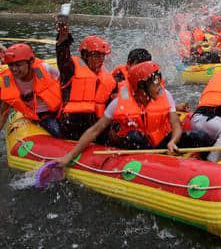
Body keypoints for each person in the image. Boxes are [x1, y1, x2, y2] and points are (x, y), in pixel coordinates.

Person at [54, 61, 194, 167]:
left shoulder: (165, 95)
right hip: (134, 143)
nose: (160, 87)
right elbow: (95, 130)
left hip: (158, 142)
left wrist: (173, 141)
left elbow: (176, 125)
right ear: (141, 87)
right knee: (136, 138)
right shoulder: (118, 103)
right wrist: (70, 156)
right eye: (155, 84)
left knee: (198, 137)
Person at [56, 18, 117, 140]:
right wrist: (63, 38)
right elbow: (62, 55)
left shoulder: (108, 79)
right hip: (72, 124)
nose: (100, 59)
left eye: (102, 56)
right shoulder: (70, 69)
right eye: (96, 55)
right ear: (85, 55)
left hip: (94, 124)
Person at [0, 44, 62, 136]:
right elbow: (3, 112)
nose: (14, 69)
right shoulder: (8, 81)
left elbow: (63, 81)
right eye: (11, 65)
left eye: (18, 65)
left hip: (60, 108)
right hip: (42, 115)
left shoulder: (45, 68)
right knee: (59, 132)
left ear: (31, 62)